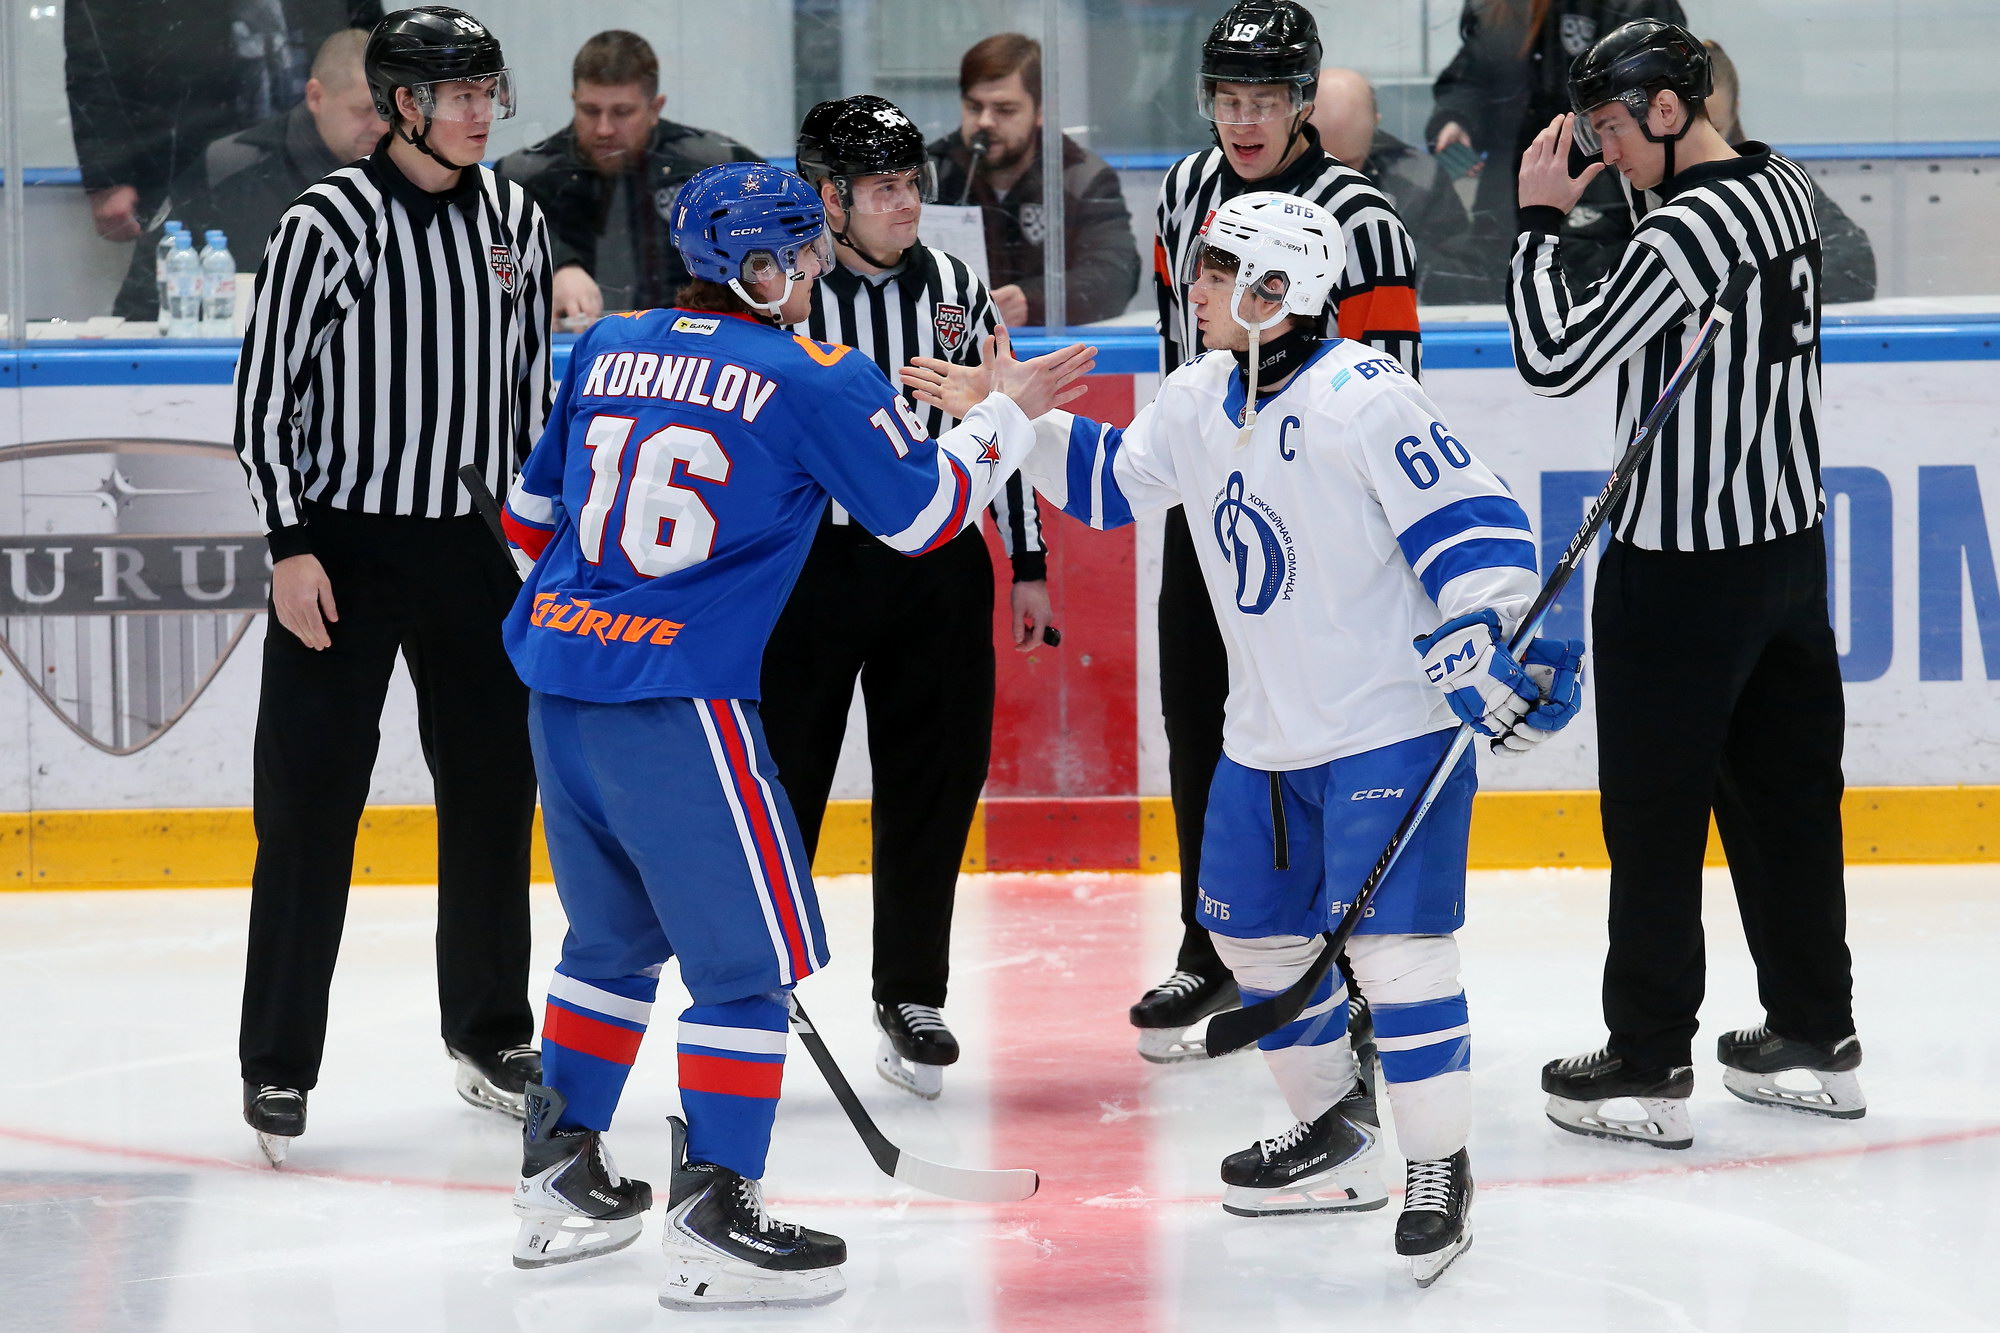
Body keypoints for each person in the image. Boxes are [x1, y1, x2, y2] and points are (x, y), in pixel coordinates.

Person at [907, 191, 1581, 1287]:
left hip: (1386, 726)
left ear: (1279, 290)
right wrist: (1008, 415)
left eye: (1219, 273)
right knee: (1255, 941)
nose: (1197, 287)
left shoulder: (1365, 397)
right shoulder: (1196, 395)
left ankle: (1436, 1166)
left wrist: (1484, 629)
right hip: (1263, 734)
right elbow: (1109, 486)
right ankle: (1338, 1133)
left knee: (1397, 955)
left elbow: (1481, 531)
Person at [496, 160, 1091, 1309]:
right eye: (802, 252)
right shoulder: (810, 372)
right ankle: (716, 1213)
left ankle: (558, 1176)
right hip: (681, 706)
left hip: (560, 691)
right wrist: (1006, 416)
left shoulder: (607, 344)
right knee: (745, 970)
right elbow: (923, 516)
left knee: (608, 944)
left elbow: (528, 525)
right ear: (759, 268)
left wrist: (606, 620)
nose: (816, 268)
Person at [1506, 20, 1863, 1148]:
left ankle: (1649, 1059)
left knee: (1653, 820)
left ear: (1669, 111)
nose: (1600, 149)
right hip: (1786, 555)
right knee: (1788, 806)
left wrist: (1535, 225)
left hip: (1678, 569)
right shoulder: (1780, 186)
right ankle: (1816, 1032)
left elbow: (1552, 358)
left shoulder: (1683, 230)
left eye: (1611, 126)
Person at [232, 6, 551, 1165]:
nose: (481, 113)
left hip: (474, 550)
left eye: (487, 91)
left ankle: (490, 1033)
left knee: (494, 793)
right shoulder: (326, 221)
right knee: (309, 805)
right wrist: (290, 545)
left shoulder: (515, 218)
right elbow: (264, 399)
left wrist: (535, 539)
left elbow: (529, 395)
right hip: (344, 548)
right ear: (404, 104)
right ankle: (277, 1060)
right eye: (459, 94)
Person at [1141, 0, 1422, 1065]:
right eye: (1226, 98)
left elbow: (1397, 390)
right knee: (1203, 726)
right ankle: (1212, 940)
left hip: (1323, 533)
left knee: (1329, 742)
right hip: (1210, 514)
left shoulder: (1363, 219)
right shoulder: (1184, 190)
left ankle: (1349, 967)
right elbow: (1184, 350)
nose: (1243, 120)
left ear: (1304, 102)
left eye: (1263, 99)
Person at [761, 95, 1052, 1102]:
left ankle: (912, 993)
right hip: (806, 572)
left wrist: (1026, 562)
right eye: (881, 187)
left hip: (935, 570)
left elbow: (1003, 422)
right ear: (828, 200)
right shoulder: (782, 287)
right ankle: (757, 987)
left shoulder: (956, 285)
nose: (905, 203)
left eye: (910, 184)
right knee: (782, 786)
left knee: (933, 782)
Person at [1549, 39, 1877, 302]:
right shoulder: (1623, 168)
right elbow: (1576, 265)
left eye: (1711, 129)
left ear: (1734, 114)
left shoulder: (1775, 179)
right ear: (1665, 112)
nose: (1694, 143)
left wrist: (1736, 284)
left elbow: (1854, 266)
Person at [111, 29, 387, 321]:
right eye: (363, 110)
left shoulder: (413, 170)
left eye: (389, 112)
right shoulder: (231, 169)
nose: (382, 127)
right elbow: (141, 308)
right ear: (316, 97)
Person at [497, 30, 762, 327]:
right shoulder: (524, 177)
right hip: (570, 347)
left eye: (622, 112)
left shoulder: (713, 167)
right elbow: (487, 242)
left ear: (655, 108)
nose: (604, 129)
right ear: (574, 101)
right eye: (590, 111)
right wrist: (553, 266)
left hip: (695, 343)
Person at [64, 0, 384, 242]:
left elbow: (367, 38)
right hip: (189, 149)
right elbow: (94, 53)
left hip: (321, 142)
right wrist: (108, 171)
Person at [1426, 0, 1685, 245]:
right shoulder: (1508, 7)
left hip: (1598, 173)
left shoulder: (1623, 6)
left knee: (1572, 261)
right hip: (1511, 177)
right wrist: (1457, 116)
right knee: (1505, 259)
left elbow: (1651, 86)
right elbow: (1476, 67)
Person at [926, 33, 1140, 327]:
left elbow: (1115, 274)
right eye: (974, 107)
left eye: (1005, 110)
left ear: (1040, 111)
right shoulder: (932, 172)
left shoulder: (1079, 176)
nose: (985, 121)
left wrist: (1032, 301)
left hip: (1045, 344)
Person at [1311, 67, 1500, 304]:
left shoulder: (1418, 178)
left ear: (1375, 123)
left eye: (1350, 163)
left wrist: (1393, 249)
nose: (1339, 177)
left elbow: (1468, 279)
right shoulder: (1275, 172)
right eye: (1322, 164)